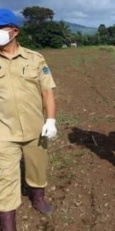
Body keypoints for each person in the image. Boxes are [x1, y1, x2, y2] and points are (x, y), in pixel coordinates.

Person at [0, 8, 57, 230]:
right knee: (4, 178)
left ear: (14, 31)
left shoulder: (35, 59)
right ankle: (7, 223)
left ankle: (38, 198)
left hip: (35, 129)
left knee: (36, 167)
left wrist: (50, 120)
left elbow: (47, 92)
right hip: (4, 132)